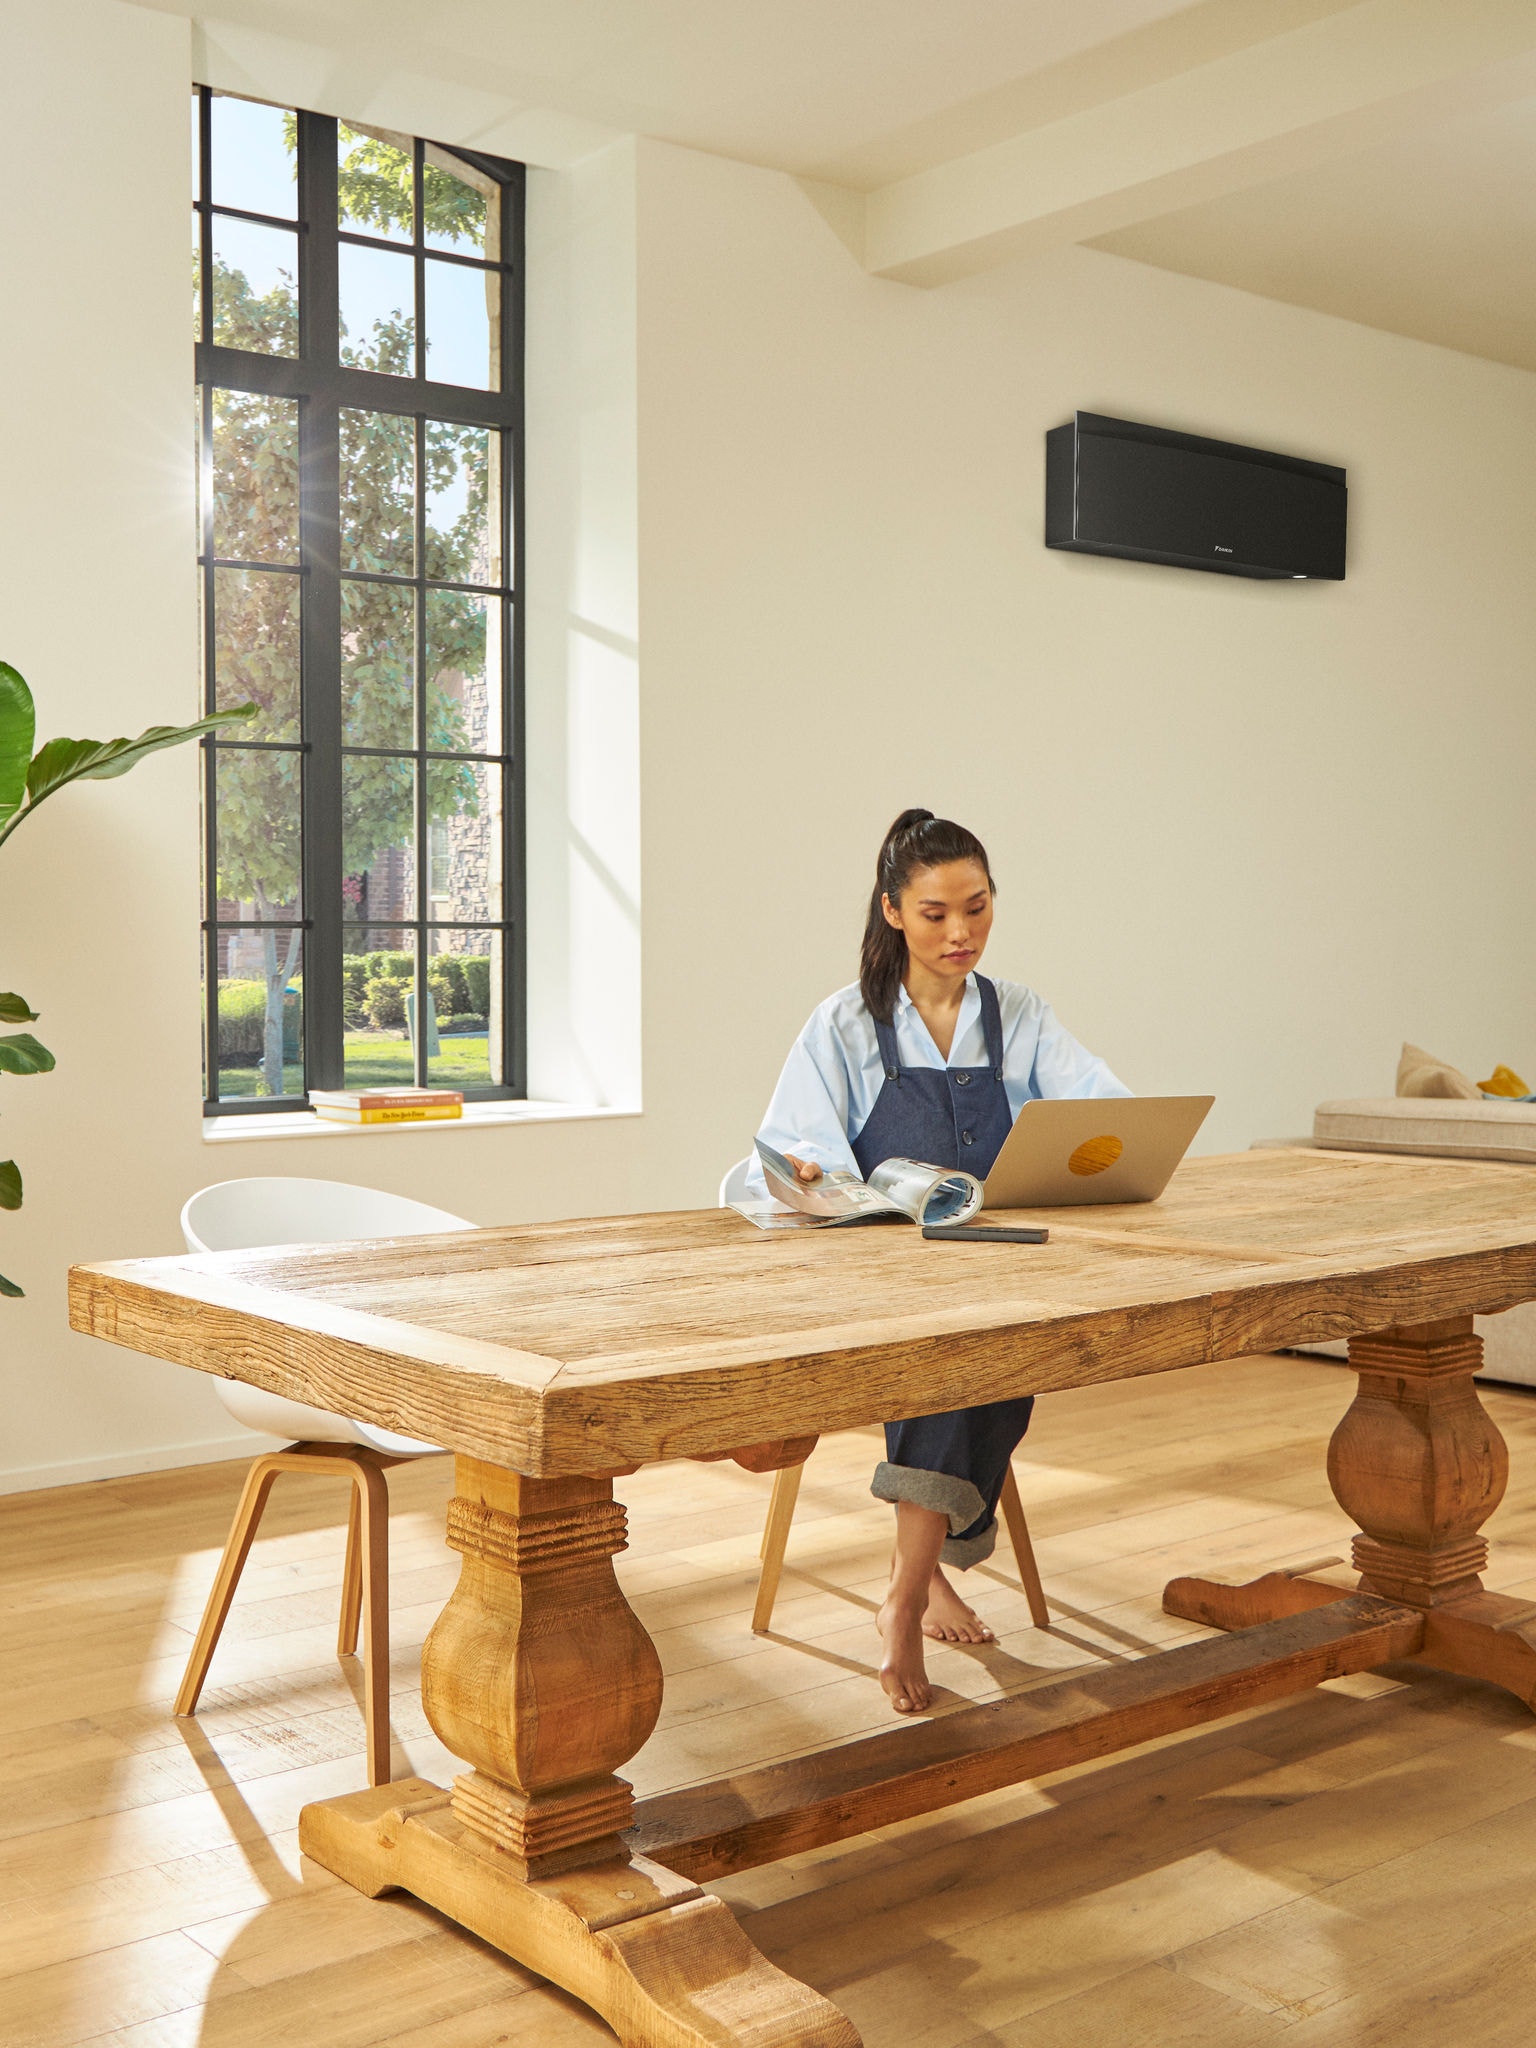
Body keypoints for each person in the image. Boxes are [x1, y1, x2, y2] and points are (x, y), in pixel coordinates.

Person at [750, 808, 1130, 1715]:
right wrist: (811, 1173)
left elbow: (1103, 1109)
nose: (960, 933)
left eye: (978, 907)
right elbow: (793, 1149)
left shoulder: (1019, 1013)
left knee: (1003, 1351)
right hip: (883, 1276)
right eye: (934, 913)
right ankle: (912, 1594)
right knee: (965, 1360)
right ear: (891, 912)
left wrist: (1104, 1138)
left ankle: (911, 1573)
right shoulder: (844, 1024)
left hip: (996, 1261)